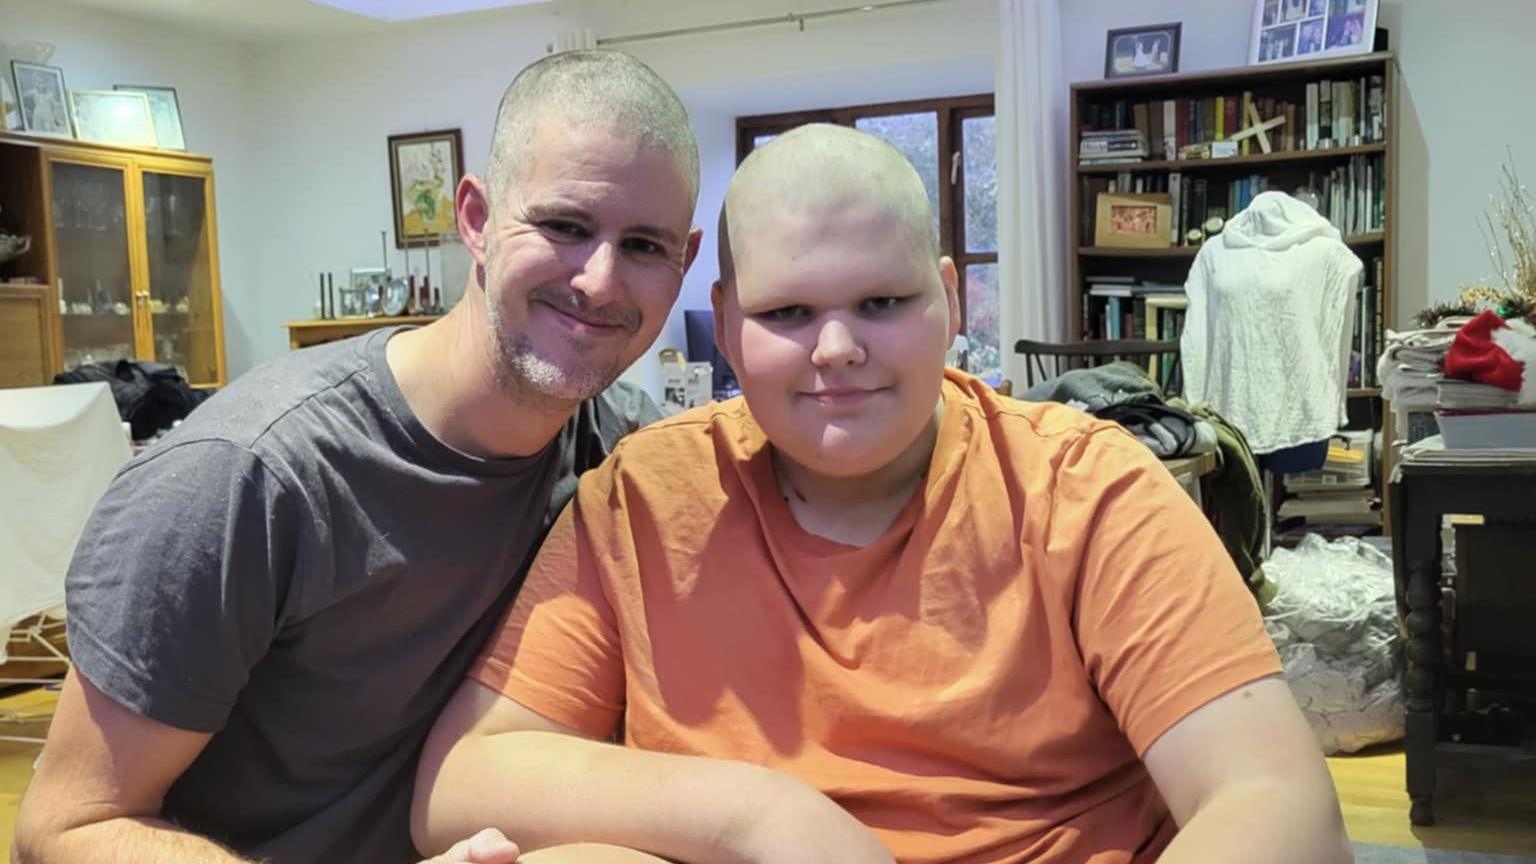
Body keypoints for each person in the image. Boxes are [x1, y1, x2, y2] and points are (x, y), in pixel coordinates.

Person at [412, 124, 1353, 864]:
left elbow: (1278, 809)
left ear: (949, 299)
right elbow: (460, 779)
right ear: (729, 329)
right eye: (787, 314)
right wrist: (763, 817)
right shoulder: (640, 502)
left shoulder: (1086, 487)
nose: (836, 351)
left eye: (881, 304)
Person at [13, 49, 702, 864]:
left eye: (646, 246)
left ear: (687, 263)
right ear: (476, 219)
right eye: (564, 226)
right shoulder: (246, 477)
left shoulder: (628, 457)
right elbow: (65, 828)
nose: (599, 280)